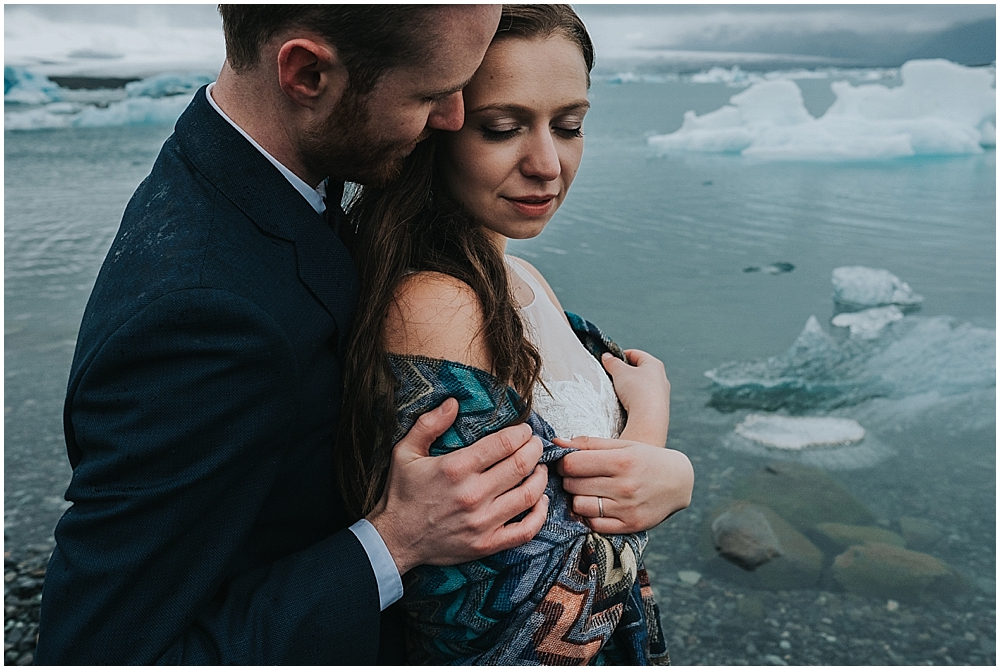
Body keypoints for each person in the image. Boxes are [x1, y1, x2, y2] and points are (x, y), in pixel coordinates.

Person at [35, 5, 558, 665]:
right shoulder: (203, 319)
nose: (453, 117)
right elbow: (95, 652)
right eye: (431, 94)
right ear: (307, 74)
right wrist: (392, 543)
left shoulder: (273, 173)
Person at [340, 5, 694, 664]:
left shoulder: (520, 274)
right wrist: (654, 436)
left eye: (570, 126)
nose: (547, 165)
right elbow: (526, 622)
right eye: (502, 128)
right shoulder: (435, 308)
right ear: (434, 127)